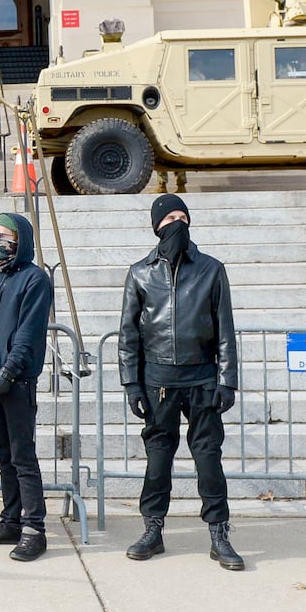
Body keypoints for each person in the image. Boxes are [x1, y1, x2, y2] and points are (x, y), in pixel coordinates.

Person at [119, 194, 243, 571]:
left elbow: (225, 329)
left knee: (208, 457)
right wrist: (132, 384)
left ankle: (219, 533)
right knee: (158, 459)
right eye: (169, 217)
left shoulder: (210, 269)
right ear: (157, 226)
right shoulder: (140, 272)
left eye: (182, 216)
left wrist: (227, 380)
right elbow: (129, 334)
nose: (177, 222)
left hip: (202, 378)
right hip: (158, 381)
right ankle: (152, 529)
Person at [0, 211, 53, 562]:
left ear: (19, 242)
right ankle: (11, 520)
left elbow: (28, 336)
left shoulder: (35, 280)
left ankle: (35, 529)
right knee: (4, 456)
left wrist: (7, 375)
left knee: (22, 456)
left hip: (16, 382)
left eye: (1, 237)